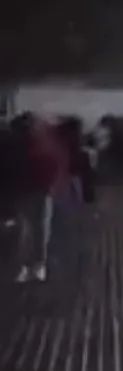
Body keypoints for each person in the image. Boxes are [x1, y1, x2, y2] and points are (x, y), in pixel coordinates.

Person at [10, 113, 63, 282]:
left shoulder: (15, 144)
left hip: (25, 190)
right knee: (40, 229)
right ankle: (38, 265)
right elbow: (54, 164)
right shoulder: (43, 142)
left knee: (27, 229)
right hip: (39, 190)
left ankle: (27, 266)